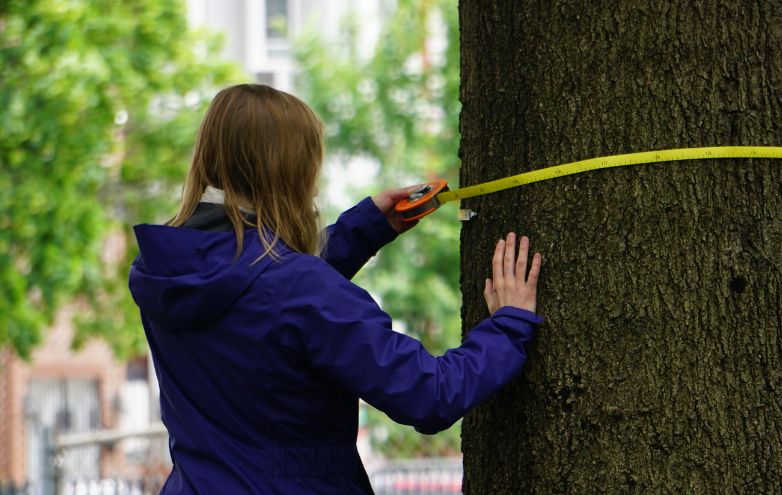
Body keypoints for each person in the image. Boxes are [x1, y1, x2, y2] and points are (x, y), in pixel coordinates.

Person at [128, 83, 543, 494]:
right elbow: (429, 395)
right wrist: (509, 327)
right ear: (291, 172)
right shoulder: (299, 289)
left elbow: (260, 297)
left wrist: (361, 230)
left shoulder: (164, 270)